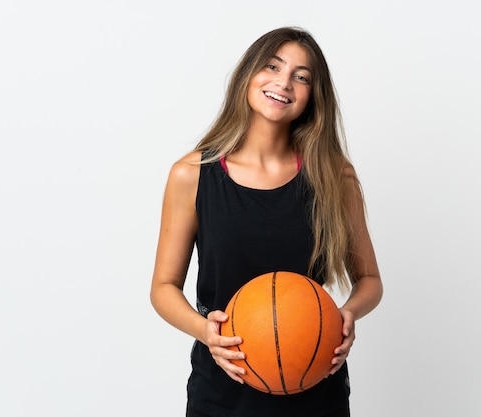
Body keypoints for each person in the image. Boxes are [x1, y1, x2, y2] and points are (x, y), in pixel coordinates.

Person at [150, 26, 383, 417]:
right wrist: (204, 331)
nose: (284, 83)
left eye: (301, 76)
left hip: (315, 383)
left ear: (313, 96)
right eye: (273, 66)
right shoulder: (192, 174)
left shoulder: (334, 177)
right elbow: (163, 287)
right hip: (223, 389)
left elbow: (370, 281)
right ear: (249, 74)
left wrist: (347, 314)